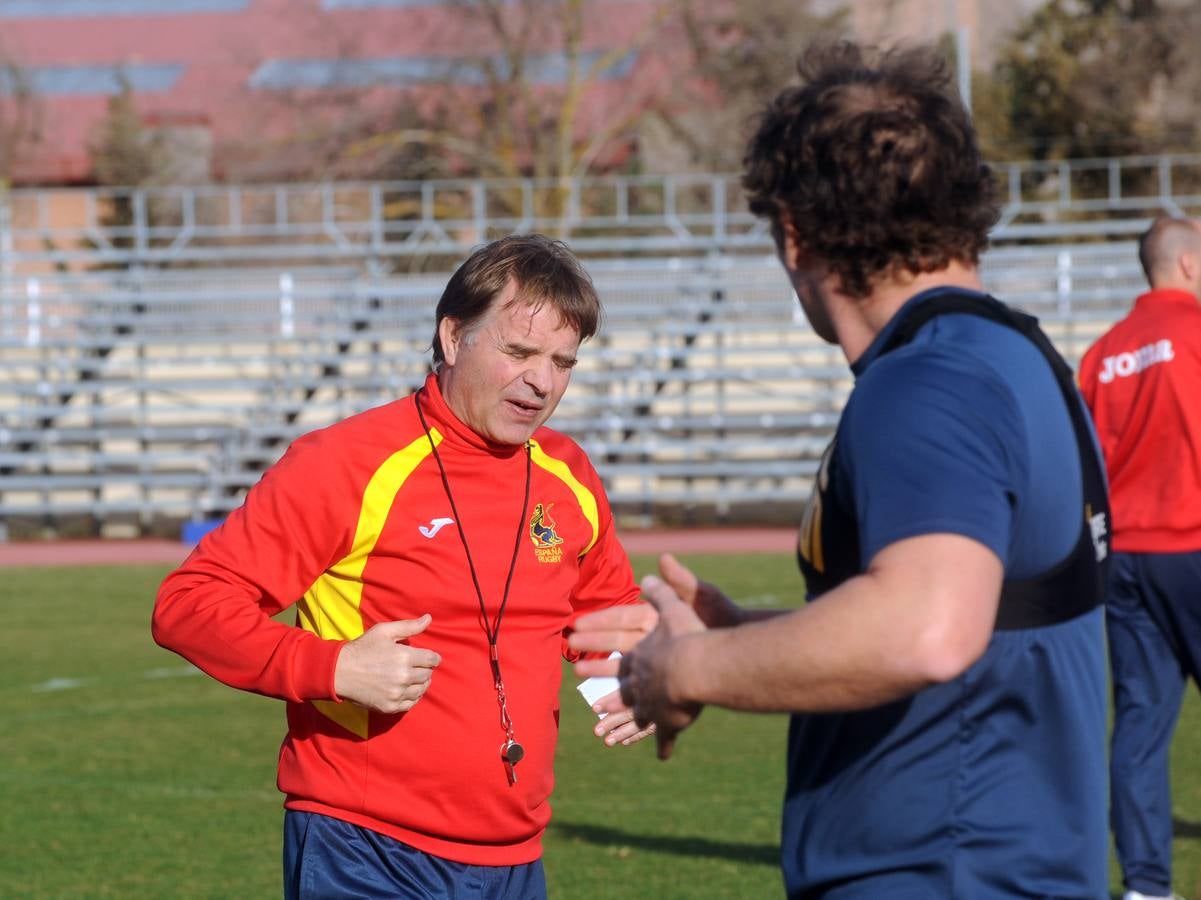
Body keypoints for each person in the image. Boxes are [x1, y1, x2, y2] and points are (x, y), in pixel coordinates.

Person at [570, 41, 1112, 898]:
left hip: (939, 873)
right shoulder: (1012, 356)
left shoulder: (928, 381)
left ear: (794, 233)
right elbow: (985, 614)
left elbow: (927, 628)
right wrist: (736, 634)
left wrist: (686, 671)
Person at [152, 233, 655, 899]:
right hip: (363, 848)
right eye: (519, 352)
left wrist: (633, 679)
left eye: (563, 362)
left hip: (515, 855)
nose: (542, 382)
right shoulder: (345, 463)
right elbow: (188, 603)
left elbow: (599, 617)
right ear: (452, 338)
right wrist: (330, 667)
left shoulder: (568, 473)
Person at [1077, 216, 1201, 900]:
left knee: (1140, 726)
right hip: (1192, 543)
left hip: (1123, 561)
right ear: (1185, 264)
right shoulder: (1196, 335)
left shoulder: (1101, 355)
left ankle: (1146, 886)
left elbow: (1085, 467)